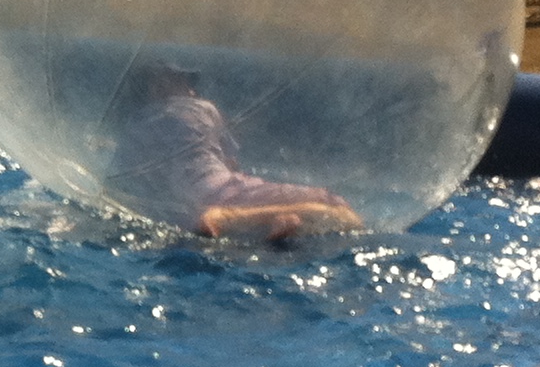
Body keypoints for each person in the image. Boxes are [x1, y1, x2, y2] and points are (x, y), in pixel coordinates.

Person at [104, 62, 362, 244]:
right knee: (338, 209)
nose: (193, 89)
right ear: (160, 85)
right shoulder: (199, 108)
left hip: (170, 209)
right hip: (218, 194)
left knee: (283, 222)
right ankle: (231, 218)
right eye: (186, 82)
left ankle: (263, 223)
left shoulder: (133, 128)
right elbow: (231, 165)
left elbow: (120, 185)